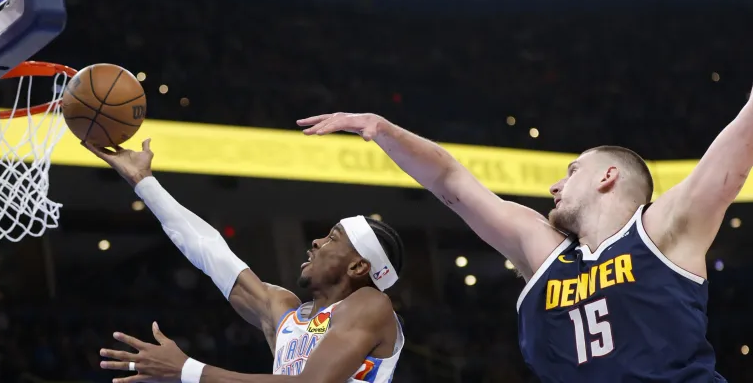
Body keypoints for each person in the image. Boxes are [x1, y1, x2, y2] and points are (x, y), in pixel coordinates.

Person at [297, 105, 749, 382]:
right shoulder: (543, 252)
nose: (555, 185)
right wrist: (385, 130)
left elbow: (741, 137)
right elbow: (451, 181)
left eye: (571, 171)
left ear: (608, 177)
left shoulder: (663, 231)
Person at [82, 139, 405, 383]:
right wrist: (144, 182)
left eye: (333, 238)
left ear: (358, 267)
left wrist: (187, 369)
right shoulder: (287, 312)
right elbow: (211, 252)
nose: (316, 241)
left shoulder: (372, 304)